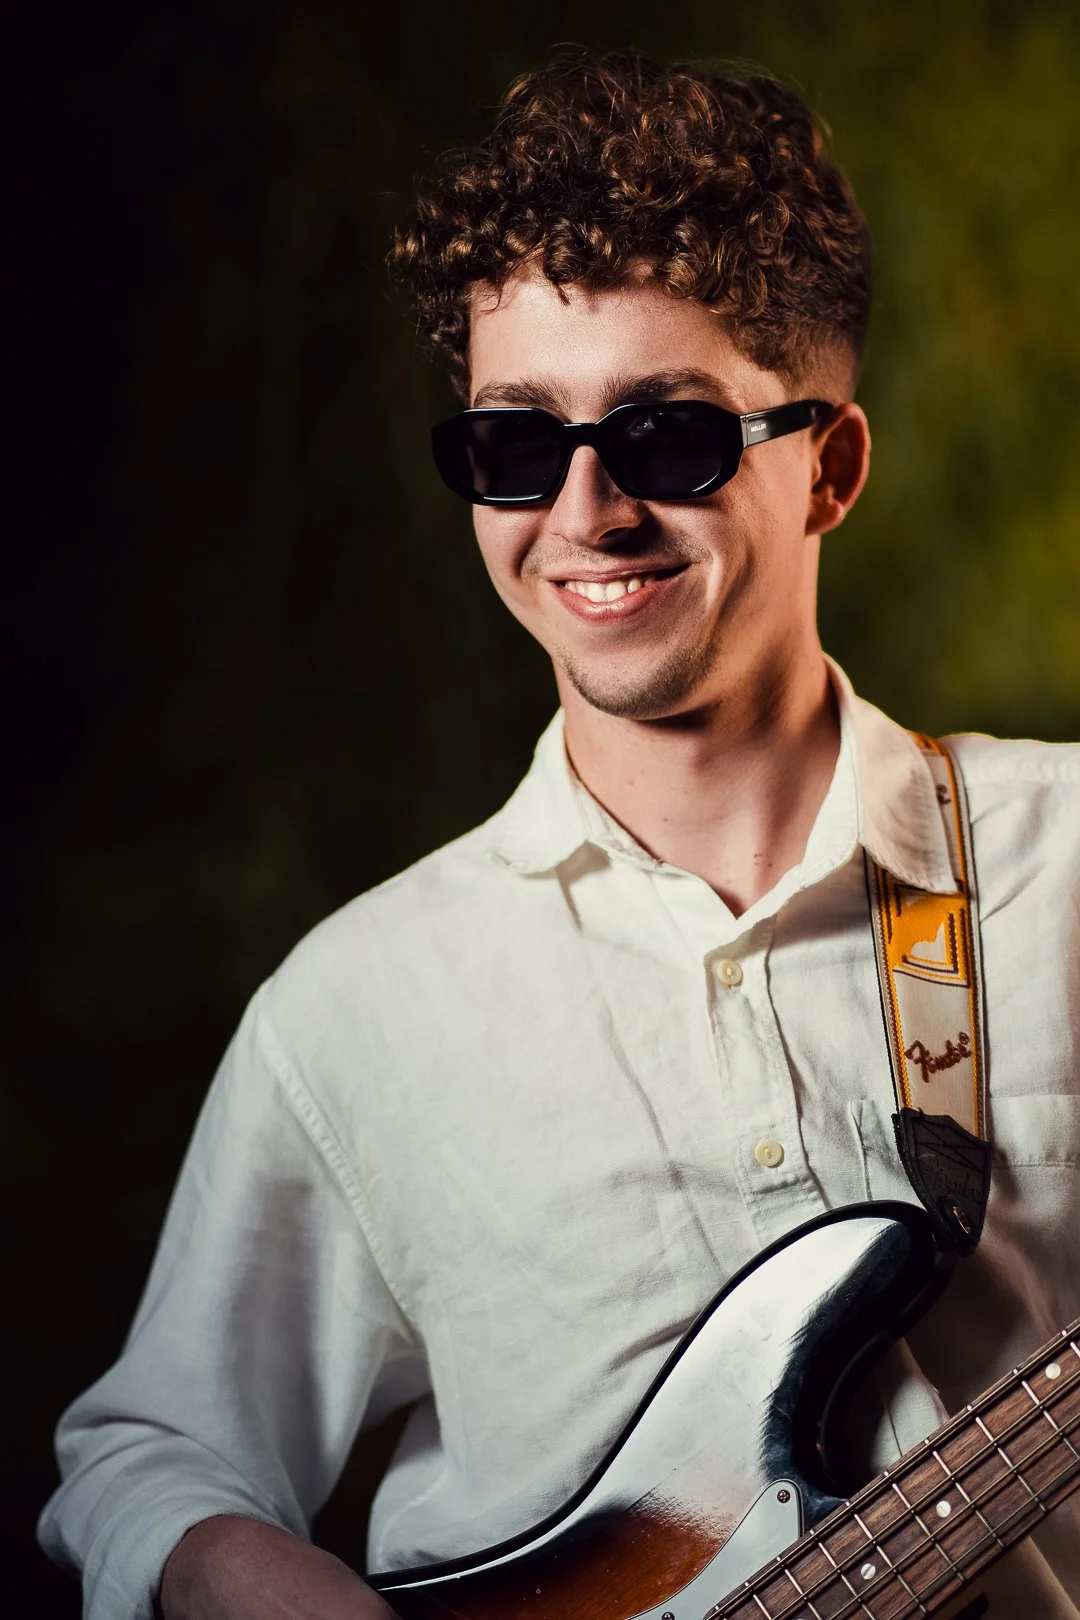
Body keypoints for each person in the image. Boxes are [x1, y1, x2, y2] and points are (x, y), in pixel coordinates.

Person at [39, 48, 1080, 1620]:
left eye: (670, 438)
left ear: (833, 470)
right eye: (518, 444)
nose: (585, 512)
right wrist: (240, 1567)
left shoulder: (1061, 858)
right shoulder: (356, 1009)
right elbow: (145, 1451)